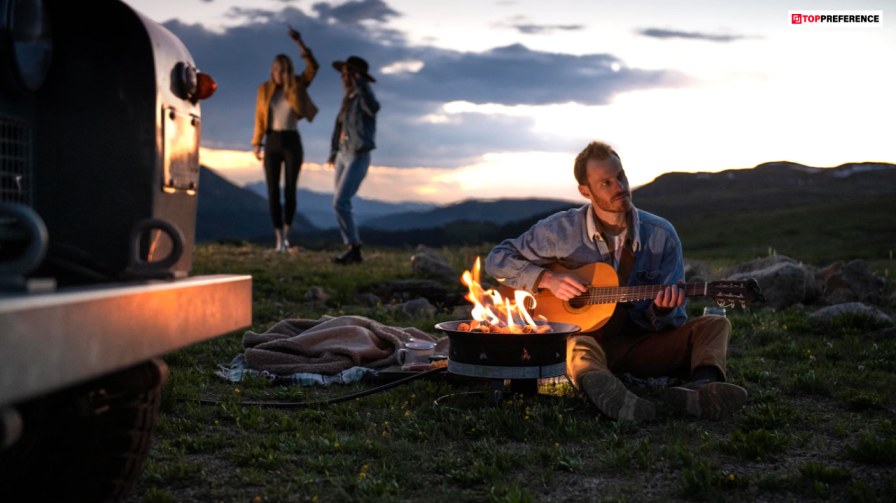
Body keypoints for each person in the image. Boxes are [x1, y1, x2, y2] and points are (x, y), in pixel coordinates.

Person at [485, 141, 747, 424]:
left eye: (620, 176)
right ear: (585, 191)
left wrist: (660, 311)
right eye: (606, 183)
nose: (619, 187)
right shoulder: (559, 231)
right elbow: (497, 259)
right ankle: (609, 392)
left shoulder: (661, 235)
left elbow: (675, 321)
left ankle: (701, 388)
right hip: (588, 345)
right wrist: (547, 278)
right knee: (576, 345)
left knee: (715, 325)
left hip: (638, 343)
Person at [252, 27, 319, 252]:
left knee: (290, 190)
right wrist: (256, 142)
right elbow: (259, 117)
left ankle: (287, 236)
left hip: (292, 140)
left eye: (280, 70)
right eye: (274, 70)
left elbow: (313, 68)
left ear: (287, 70)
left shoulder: (296, 86)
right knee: (272, 191)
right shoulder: (264, 89)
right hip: (272, 140)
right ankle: (278, 238)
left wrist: (300, 42)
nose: (276, 74)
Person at [328, 55, 380, 264]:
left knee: (341, 201)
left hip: (359, 154)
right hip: (343, 154)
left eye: (348, 73)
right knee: (338, 202)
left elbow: (373, 107)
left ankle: (355, 249)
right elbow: (339, 126)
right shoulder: (347, 99)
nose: (344, 77)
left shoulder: (364, 96)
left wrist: (361, 83)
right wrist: (334, 151)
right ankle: (351, 248)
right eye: (343, 74)